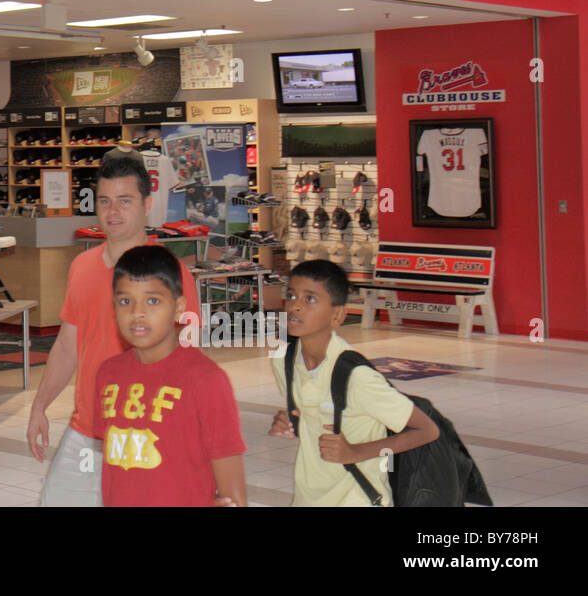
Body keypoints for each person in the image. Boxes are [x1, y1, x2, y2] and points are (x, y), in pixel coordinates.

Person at [26, 153, 200, 506]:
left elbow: (189, 364)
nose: (113, 211)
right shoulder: (82, 267)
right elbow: (67, 345)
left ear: (147, 204)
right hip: (86, 430)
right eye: (105, 201)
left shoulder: (173, 275)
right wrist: (39, 406)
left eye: (125, 201)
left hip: (147, 437)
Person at [268, 260, 440, 506]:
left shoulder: (356, 377)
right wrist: (291, 421)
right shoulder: (283, 360)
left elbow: (427, 431)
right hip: (309, 498)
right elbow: (311, 415)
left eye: (310, 299)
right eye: (291, 295)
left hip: (358, 498)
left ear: (337, 315)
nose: (295, 306)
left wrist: (355, 453)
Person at [96, 245, 246, 506]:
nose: (137, 313)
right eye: (125, 301)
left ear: (178, 308)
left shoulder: (206, 380)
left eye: (153, 300)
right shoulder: (108, 373)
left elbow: (233, 492)